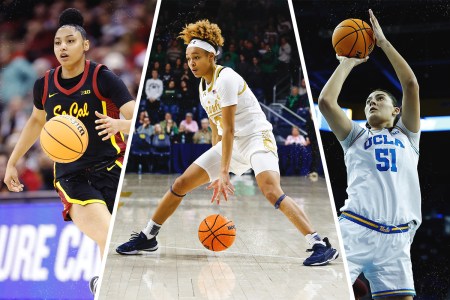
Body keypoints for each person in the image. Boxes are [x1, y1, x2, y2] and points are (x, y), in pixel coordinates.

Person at [116, 19, 338, 266]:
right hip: (231, 143)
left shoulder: (227, 78)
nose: (191, 63)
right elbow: (217, 130)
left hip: (256, 137)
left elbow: (230, 128)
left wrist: (223, 172)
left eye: (197, 57)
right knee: (181, 183)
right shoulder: (202, 88)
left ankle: (318, 243)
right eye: (189, 58)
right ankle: (148, 235)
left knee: (270, 188)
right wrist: (214, 168)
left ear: (211, 56)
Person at [2, 8, 135, 296]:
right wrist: (13, 162)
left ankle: (101, 283)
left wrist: (120, 123)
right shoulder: (45, 85)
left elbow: (133, 112)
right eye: (58, 42)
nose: (63, 47)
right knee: (107, 235)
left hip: (111, 167)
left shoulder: (102, 77)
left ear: (85, 45)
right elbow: (37, 121)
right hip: (72, 176)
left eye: (70, 41)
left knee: (117, 244)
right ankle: (105, 286)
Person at [318, 10, 420, 299]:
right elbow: (326, 101)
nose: (372, 102)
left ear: (396, 110)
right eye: (368, 101)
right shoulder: (356, 136)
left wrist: (384, 43)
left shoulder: (408, 137)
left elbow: (411, 84)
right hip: (356, 230)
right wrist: (349, 62)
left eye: (380, 99)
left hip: (397, 238)